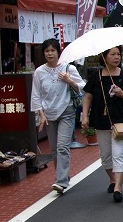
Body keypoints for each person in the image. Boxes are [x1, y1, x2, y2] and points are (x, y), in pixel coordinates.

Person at [81, 47, 123, 203]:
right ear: (104, 58)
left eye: (118, 54)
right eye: (112, 54)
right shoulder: (96, 76)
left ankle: (118, 187)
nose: (117, 57)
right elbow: (88, 97)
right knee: (105, 155)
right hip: (101, 121)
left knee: (119, 154)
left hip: (120, 121)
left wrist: (121, 93)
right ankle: (112, 179)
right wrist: (84, 116)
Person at [30, 38, 85, 194]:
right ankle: (63, 176)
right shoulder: (39, 72)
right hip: (49, 114)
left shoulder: (68, 68)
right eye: (47, 51)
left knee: (62, 146)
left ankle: (60, 181)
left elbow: (82, 87)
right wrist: (41, 114)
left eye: (53, 50)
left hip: (66, 111)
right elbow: (36, 95)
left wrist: (69, 80)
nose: (50, 53)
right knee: (54, 149)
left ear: (58, 52)